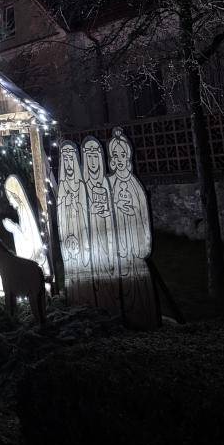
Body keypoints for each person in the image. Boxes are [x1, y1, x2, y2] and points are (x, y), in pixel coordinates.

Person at [107, 127, 160, 328]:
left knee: (137, 283)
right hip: (117, 245)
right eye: (115, 155)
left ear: (128, 157)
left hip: (134, 242)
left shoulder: (135, 185)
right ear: (111, 159)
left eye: (123, 155)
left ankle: (142, 316)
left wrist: (129, 210)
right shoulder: (109, 183)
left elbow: (143, 215)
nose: (119, 159)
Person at [81, 136, 119, 312]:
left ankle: (112, 305)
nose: (93, 161)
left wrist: (106, 212)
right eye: (88, 156)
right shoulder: (81, 187)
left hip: (110, 239)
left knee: (111, 276)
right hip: (90, 241)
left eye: (96, 155)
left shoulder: (109, 184)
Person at [56, 141, 94, 306]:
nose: (69, 164)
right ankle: (74, 297)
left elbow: (86, 211)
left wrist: (76, 205)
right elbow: (60, 214)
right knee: (72, 271)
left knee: (84, 268)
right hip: (68, 236)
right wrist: (65, 202)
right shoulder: (62, 188)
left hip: (81, 233)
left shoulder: (81, 186)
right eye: (65, 160)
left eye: (71, 159)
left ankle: (88, 297)